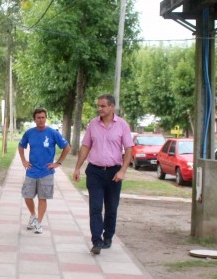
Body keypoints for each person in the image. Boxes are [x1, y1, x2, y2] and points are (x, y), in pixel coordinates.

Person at [73, 94, 134, 255]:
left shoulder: (122, 126)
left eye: (103, 106)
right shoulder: (93, 124)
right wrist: (78, 167)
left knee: (111, 208)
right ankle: (96, 241)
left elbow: (129, 150)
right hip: (95, 172)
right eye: (98, 106)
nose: (99, 109)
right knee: (95, 207)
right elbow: (86, 146)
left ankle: (108, 237)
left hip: (114, 172)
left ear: (112, 107)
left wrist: (122, 171)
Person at [18, 108, 70, 234]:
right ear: (34, 119)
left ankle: (39, 223)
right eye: (38, 118)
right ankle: (33, 215)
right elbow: (21, 146)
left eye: (43, 117)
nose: (41, 120)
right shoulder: (29, 133)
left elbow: (66, 147)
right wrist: (24, 161)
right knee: (27, 196)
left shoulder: (53, 133)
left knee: (42, 198)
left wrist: (58, 163)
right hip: (32, 171)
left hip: (46, 171)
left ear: (46, 118)